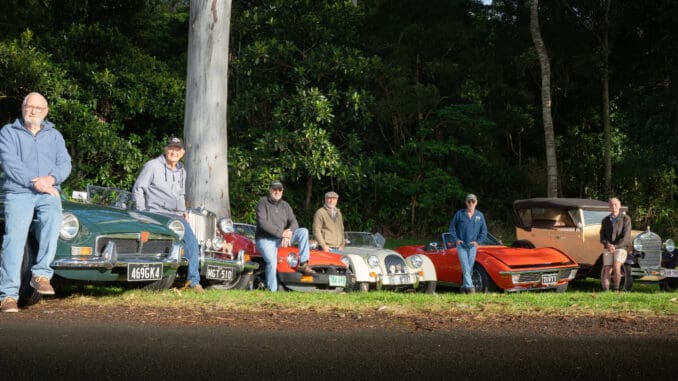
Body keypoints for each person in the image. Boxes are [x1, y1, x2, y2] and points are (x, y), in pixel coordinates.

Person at [0, 92, 72, 313]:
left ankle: (41, 274)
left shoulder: (55, 135)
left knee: (53, 218)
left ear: (46, 111)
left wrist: (51, 179)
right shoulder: (8, 132)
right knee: (14, 239)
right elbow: (10, 164)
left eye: (38, 108)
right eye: (29, 107)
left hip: (48, 191)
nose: (33, 111)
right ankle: (8, 296)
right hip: (19, 191)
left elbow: (65, 163)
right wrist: (36, 183)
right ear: (22, 108)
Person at [132, 137, 204, 293]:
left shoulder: (182, 170)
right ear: (166, 150)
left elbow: (181, 194)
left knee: (192, 245)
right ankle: (159, 279)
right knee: (166, 245)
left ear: (182, 153)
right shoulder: (152, 166)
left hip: (177, 216)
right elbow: (138, 189)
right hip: (156, 214)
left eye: (178, 149)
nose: (174, 152)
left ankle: (194, 282)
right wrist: (142, 212)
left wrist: (184, 211)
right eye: (171, 148)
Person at [255, 180, 314, 291]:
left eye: (279, 189)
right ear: (270, 190)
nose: (277, 192)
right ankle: (272, 291)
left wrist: (289, 232)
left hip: (281, 239)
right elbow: (262, 223)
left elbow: (294, 222)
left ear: (282, 191)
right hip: (265, 240)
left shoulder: (285, 205)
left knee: (303, 231)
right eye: (274, 189)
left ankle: (304, 263)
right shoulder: (262, 202)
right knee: (272, 263)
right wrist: (281, 233)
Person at [449, 193, 488, 294]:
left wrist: (478, 242)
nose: (471, 203)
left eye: (473, 201)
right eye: (469, 201)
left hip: (472, 247)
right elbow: (452, 228)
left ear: (476, 203)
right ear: (466, 202)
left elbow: (484, 232)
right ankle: (470, 288)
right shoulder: (459, 214)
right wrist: (456, 240)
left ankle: (463, 287)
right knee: (465, 266)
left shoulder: (480, 215)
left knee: (469, 268)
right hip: (461, 246)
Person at [599, 197, 632, 291]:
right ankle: (606, 290)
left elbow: (626, 237)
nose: (614, 206)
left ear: (620, 206)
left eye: (616, 204)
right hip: (608, 247)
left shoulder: (626, 219)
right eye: (611, 205)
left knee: (616, 266)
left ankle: (616, 289)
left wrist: (616, 246)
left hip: (621, 247)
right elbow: (602, 237)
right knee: (607, 268)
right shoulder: (605, 220)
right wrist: (608, 245)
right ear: (609, 206)